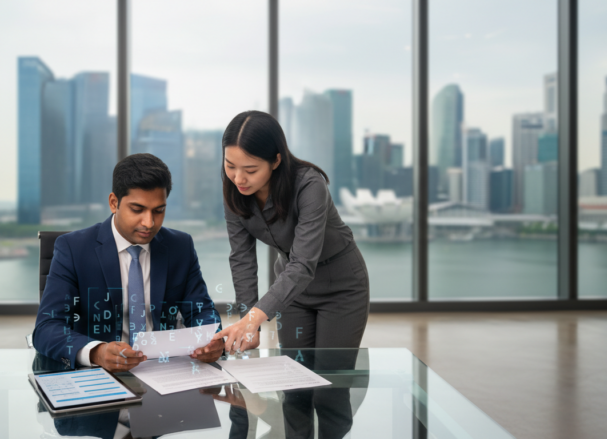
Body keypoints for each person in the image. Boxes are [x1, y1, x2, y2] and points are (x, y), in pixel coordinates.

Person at [33, 153, 224, 371]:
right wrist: (97, 352)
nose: (149, 223)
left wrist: (212, 339)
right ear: (114, 203)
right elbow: (47, 328)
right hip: (99, 377)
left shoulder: (181, 246)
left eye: (159, 211)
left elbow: (201, 310)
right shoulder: (73, 249)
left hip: (165, 371)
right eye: (137, 209)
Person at [212, 110, 369, 354]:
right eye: (230, 165)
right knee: (294, 378)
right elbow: (242, 259)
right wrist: (249, 324)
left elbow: (303, 263)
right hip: (290, 290)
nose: (238, 178)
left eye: (251, 170)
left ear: (276, 161)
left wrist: (252, 320)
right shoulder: (234, 190)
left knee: (331, 380)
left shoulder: (309, 185)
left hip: (341, 287)